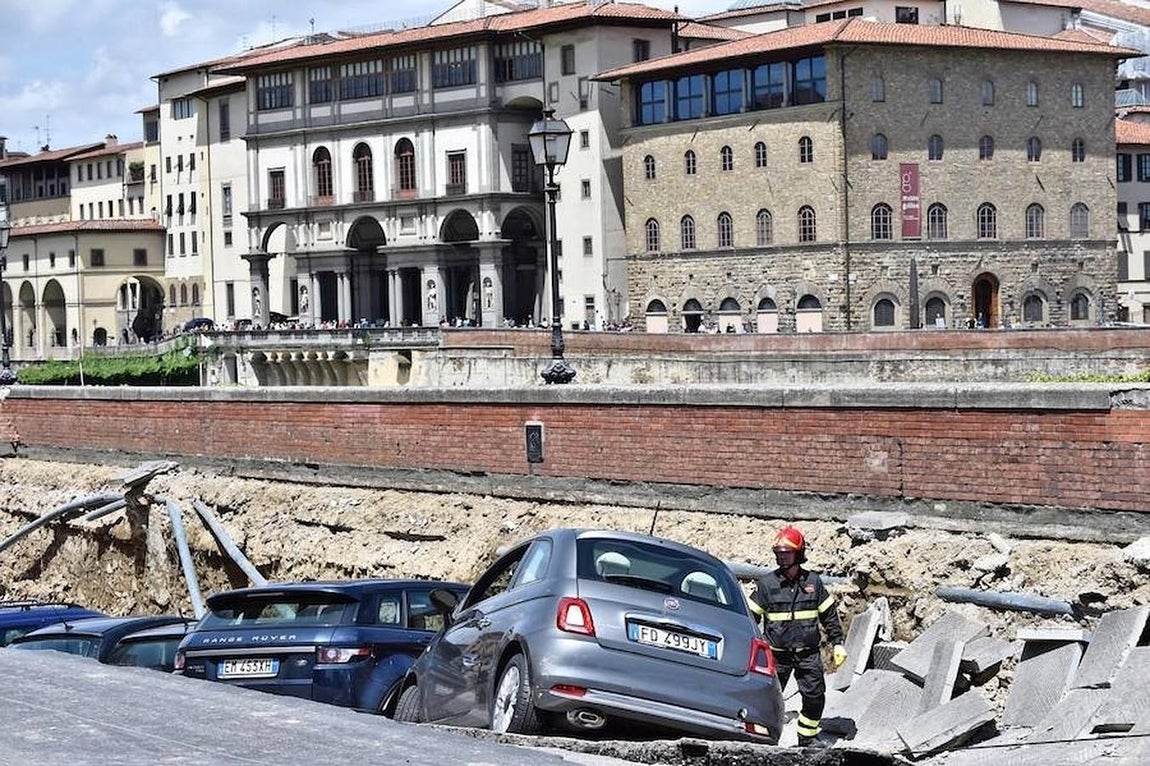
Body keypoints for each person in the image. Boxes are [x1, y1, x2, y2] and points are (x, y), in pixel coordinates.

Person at [748, 525, 846, 748]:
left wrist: (838, 643)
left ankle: (807, 739)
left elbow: (829, 615)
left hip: (808, 655)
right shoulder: (766, 584)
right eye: (779, 553)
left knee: (814, 697)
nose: (782, 558)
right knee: (768, 698)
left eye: (787, 553)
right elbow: (748, 620)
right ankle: (763, 739)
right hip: (776, 656)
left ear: (799, 554)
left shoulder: (814, 583)